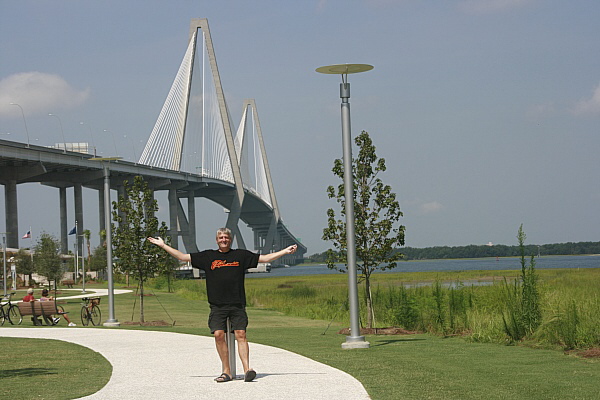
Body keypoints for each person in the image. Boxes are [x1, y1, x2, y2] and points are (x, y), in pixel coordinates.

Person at [148, 228, 297, 383]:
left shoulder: (240, 255)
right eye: (221, 237)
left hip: (237, 304)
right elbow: (182, 256)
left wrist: (285, 251)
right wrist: (163, 245)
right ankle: (226, 372)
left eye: (226, 237)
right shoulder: (208, 256)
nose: (224, 239)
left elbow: (265, 259)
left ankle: (247, 370)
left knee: (241, 334)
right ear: (216, 240)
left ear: (230, 239)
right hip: (217, 305)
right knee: (219, 334)